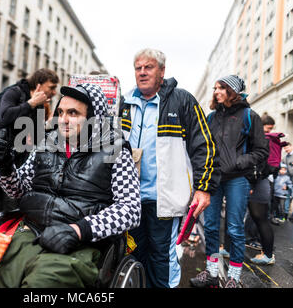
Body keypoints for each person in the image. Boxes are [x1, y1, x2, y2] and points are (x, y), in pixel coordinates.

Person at [0, 83, 141, 288]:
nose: (64, 120)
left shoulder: (115, 150)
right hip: (32, 231)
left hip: (80, 244)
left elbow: (131, 210)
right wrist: (6, 167)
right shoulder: (47, 143)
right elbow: (18, 190)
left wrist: (79, 230)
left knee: (41, 285)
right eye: (60, 112)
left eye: (73, 113)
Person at [120, 48, 220, 288]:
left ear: (162, 71)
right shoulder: (124, 102)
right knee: (132, 254)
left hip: (163, 198)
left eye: (149, 67)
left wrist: (203, 188)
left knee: (161, 256)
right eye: (138, 68)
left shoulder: (182, 100)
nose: (142, 73)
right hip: (128, 199)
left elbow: (204, 145)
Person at [191, 75, 269, 288]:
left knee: (234, 228)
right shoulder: (211, 117)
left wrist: (239, 162)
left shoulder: (249, 116)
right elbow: (204, 147)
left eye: (222, 88)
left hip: (237, 179)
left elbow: (262, 150)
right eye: (216, 88)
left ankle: (234, 276)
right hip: (214, 179)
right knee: (211, 228)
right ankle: (212, 271)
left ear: (233, 91)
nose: (216, 91)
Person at [0, 69, 59, 226]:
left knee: (10, 204)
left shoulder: (41, 107)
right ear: (39, 84)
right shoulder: (14, 92)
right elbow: (6, 116)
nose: (54, 92)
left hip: (18, 160)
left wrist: (48, 127)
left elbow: (37, 138)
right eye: (51, 87)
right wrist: (31, 104)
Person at [283, 143, 293, 221]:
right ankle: (285, 214)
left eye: (287, 147)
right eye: (285, 148)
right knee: (287, 197)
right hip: (288, 180)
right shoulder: (285, 158)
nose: (286, 149)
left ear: (291, 146)